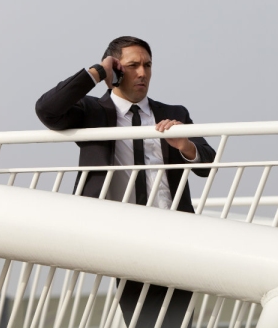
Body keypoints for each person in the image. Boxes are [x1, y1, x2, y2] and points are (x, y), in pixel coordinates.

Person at [35, 36, 216, 327]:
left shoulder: (175, 114)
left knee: (181, 321)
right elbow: (48, 109)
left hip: (175, 231)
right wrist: (96, 72)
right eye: (133, 66)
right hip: (123, 233)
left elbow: (207, 163)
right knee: (143, 319)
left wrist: (185, 145)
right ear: (116, 70)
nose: (143, 73)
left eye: (147, 65)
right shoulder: (92, 111)